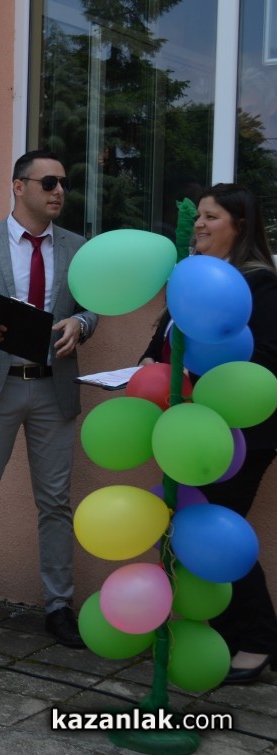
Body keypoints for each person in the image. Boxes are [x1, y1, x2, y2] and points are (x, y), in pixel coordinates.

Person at [0, 149, 98, 649]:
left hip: (53, 388)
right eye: (48, 182)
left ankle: (59, 606)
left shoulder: (77, 247)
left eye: (64, 183)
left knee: (56, 502)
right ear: (19, 187)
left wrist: (81, 324)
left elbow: (92, 308)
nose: (59, 191)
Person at [138, 183, 277, 684]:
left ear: (240, 227)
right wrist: (145, 367)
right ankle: (229, 634)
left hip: (239, 437)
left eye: (212, 217)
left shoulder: (260, 286)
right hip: (189, 432)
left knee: (215, 530)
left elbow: (265, 361)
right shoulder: (191, 278)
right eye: (198, 215)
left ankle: (260, 641)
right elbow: (162, 344)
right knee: (192, 530)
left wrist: (194, 377)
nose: (199, 224)